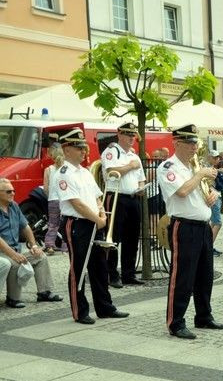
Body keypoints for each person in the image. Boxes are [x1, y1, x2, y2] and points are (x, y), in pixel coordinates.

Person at [157, 124, 223, 339]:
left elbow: (203, 192)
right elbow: (184, 191)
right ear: (176, 143)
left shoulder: (193, 167)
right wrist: (200, 174)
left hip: (203, 226)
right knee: (182, 276)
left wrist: (213, 194)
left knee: (205, 275)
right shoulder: (168, 167)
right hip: (184, 226)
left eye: (195, 143)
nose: (194, 147)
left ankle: (204, 316)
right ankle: (175, 322)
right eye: (189, 143)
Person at [57, 128, 128, 324]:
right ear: (66, 149)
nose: (83, 151)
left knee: (99, 266)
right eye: (78, 147)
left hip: (95, 222)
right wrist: (98, 219)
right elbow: (76, 203)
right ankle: (80, 311)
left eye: (83, 147)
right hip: (77, 224)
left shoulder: (85, 172)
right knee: (78, 268)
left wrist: (101, 213)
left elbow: (97, 196)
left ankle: (105, 307)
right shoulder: (64, 173)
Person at [0, 178, 62, 307]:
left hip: (14, 250)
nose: (13, 193)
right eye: (8, 191)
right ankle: (12, 298)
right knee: (15, 263)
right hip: (2, 253)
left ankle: (44, 292)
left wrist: (34, 245)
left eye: (13, 191)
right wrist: (13, 254)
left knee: (40, 257)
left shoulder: (14, 206)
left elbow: (25, 227)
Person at [100, 122, 146, 287]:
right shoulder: (112, 151)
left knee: (132, 238)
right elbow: (112, 172)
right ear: (119, 134)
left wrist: (141, 188)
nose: (131, 138)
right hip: (116, 197)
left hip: (133, 198)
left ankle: (129, 274)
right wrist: (130, 166)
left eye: (133, 135)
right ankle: (112, 275)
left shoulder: (134, 155)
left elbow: (141, 178)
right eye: (127, 135)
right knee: (113, 237)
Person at [43, 141, 65, 254]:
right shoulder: (66, 168)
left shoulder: (48, 170)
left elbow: (46, 188)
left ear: (52, 154)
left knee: (53, 223)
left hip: (53, 200)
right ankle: (65, 246)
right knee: (66, 223)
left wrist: (50, 196)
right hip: (66, 200)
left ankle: (50, 245)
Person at [207, 149, 223, 257]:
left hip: (215, 196)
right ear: (209, 158)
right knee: (217, 223)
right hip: (213, 196)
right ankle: (208, 247)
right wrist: (220, 171)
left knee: (214, 223)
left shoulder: (214, 168)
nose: (217, 159)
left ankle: (208, 245)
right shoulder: (209, 169)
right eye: (215, 158)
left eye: (218, 158)